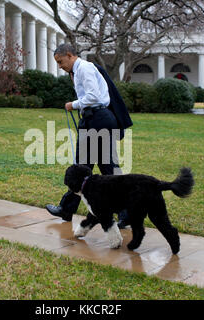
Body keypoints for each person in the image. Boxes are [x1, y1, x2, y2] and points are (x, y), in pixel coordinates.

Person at [45, 43, 132, 229]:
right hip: (95, 120)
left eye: (61, 62)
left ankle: (67, 209)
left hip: (97, 119)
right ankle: (126, 213)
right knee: (101, 168)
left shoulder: (84, 69)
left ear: (69, 55)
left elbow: (93, 96)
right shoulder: (79, 70)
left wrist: (73, 104)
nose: (60, 66)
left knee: (86, 168)